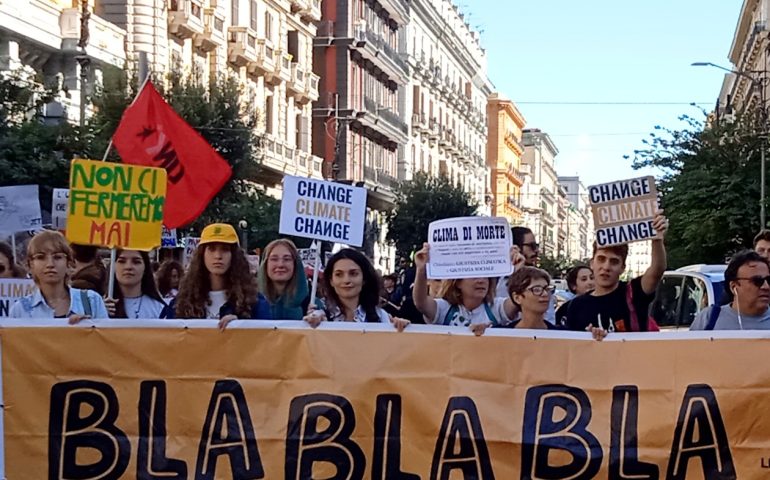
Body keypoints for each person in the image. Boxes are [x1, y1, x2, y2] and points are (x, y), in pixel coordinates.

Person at [566, 211, 668, 332]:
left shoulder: (634, 293)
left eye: (614, 261)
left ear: (623, 268)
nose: (606, 266)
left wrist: (657, 239)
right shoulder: (576, 306)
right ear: (592, 263)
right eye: (601, 259)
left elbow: (657, 270)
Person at [171, 223, 271, 329]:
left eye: (225, 249)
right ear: (202, 254)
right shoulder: (181, 302)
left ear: (234, 255)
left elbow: (266, 339)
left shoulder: (255, 303)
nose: (218, 256)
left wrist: (242, 327)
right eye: (211, 249)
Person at [412, 242, 518, 335]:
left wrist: (518, 270)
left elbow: (518, 301)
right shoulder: (444, 308)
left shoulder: (496, 307)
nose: (481, 280)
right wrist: (421, 269)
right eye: (474, 276)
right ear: (458, 283)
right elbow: (421, 303)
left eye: (485, 276)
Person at [9, 230, 108, 321]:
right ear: (31, 264)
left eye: (57, 257)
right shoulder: (19, 310)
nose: (50, 264)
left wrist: (89, 329)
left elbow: (105, 339)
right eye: (40, 257)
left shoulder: (92, 301)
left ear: (68, 263)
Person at [304, 248, 410, 331]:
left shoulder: (382, 317)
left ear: (364, 279)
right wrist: (313, 325)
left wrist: (402, 330)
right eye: (339, 274)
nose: (346, 280)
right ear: (331, 280)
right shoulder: (319, 318)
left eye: (353, 274)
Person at [505, 266, 608, 340]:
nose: (545, 294)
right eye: (536, 289)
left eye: (547, 288)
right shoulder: (500, 335)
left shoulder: (563, 335)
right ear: (517, 297)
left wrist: (593, 338)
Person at [691, 250, 770, 330]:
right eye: (757, 281)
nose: (766, 287)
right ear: (733, 287)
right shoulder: (709, 318)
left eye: (769, 280)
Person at [105, 250, 169, 319]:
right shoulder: (99, 306)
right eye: (122, 261)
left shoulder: (159, 309)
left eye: (136, 262)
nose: (128, 267)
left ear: (145, 268)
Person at [257, 239, 310, 320]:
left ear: (295, 265)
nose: (280, 264)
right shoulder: (249, 303)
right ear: (265, 264)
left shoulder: (311, 305)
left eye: (287, 259)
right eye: (274, 259)